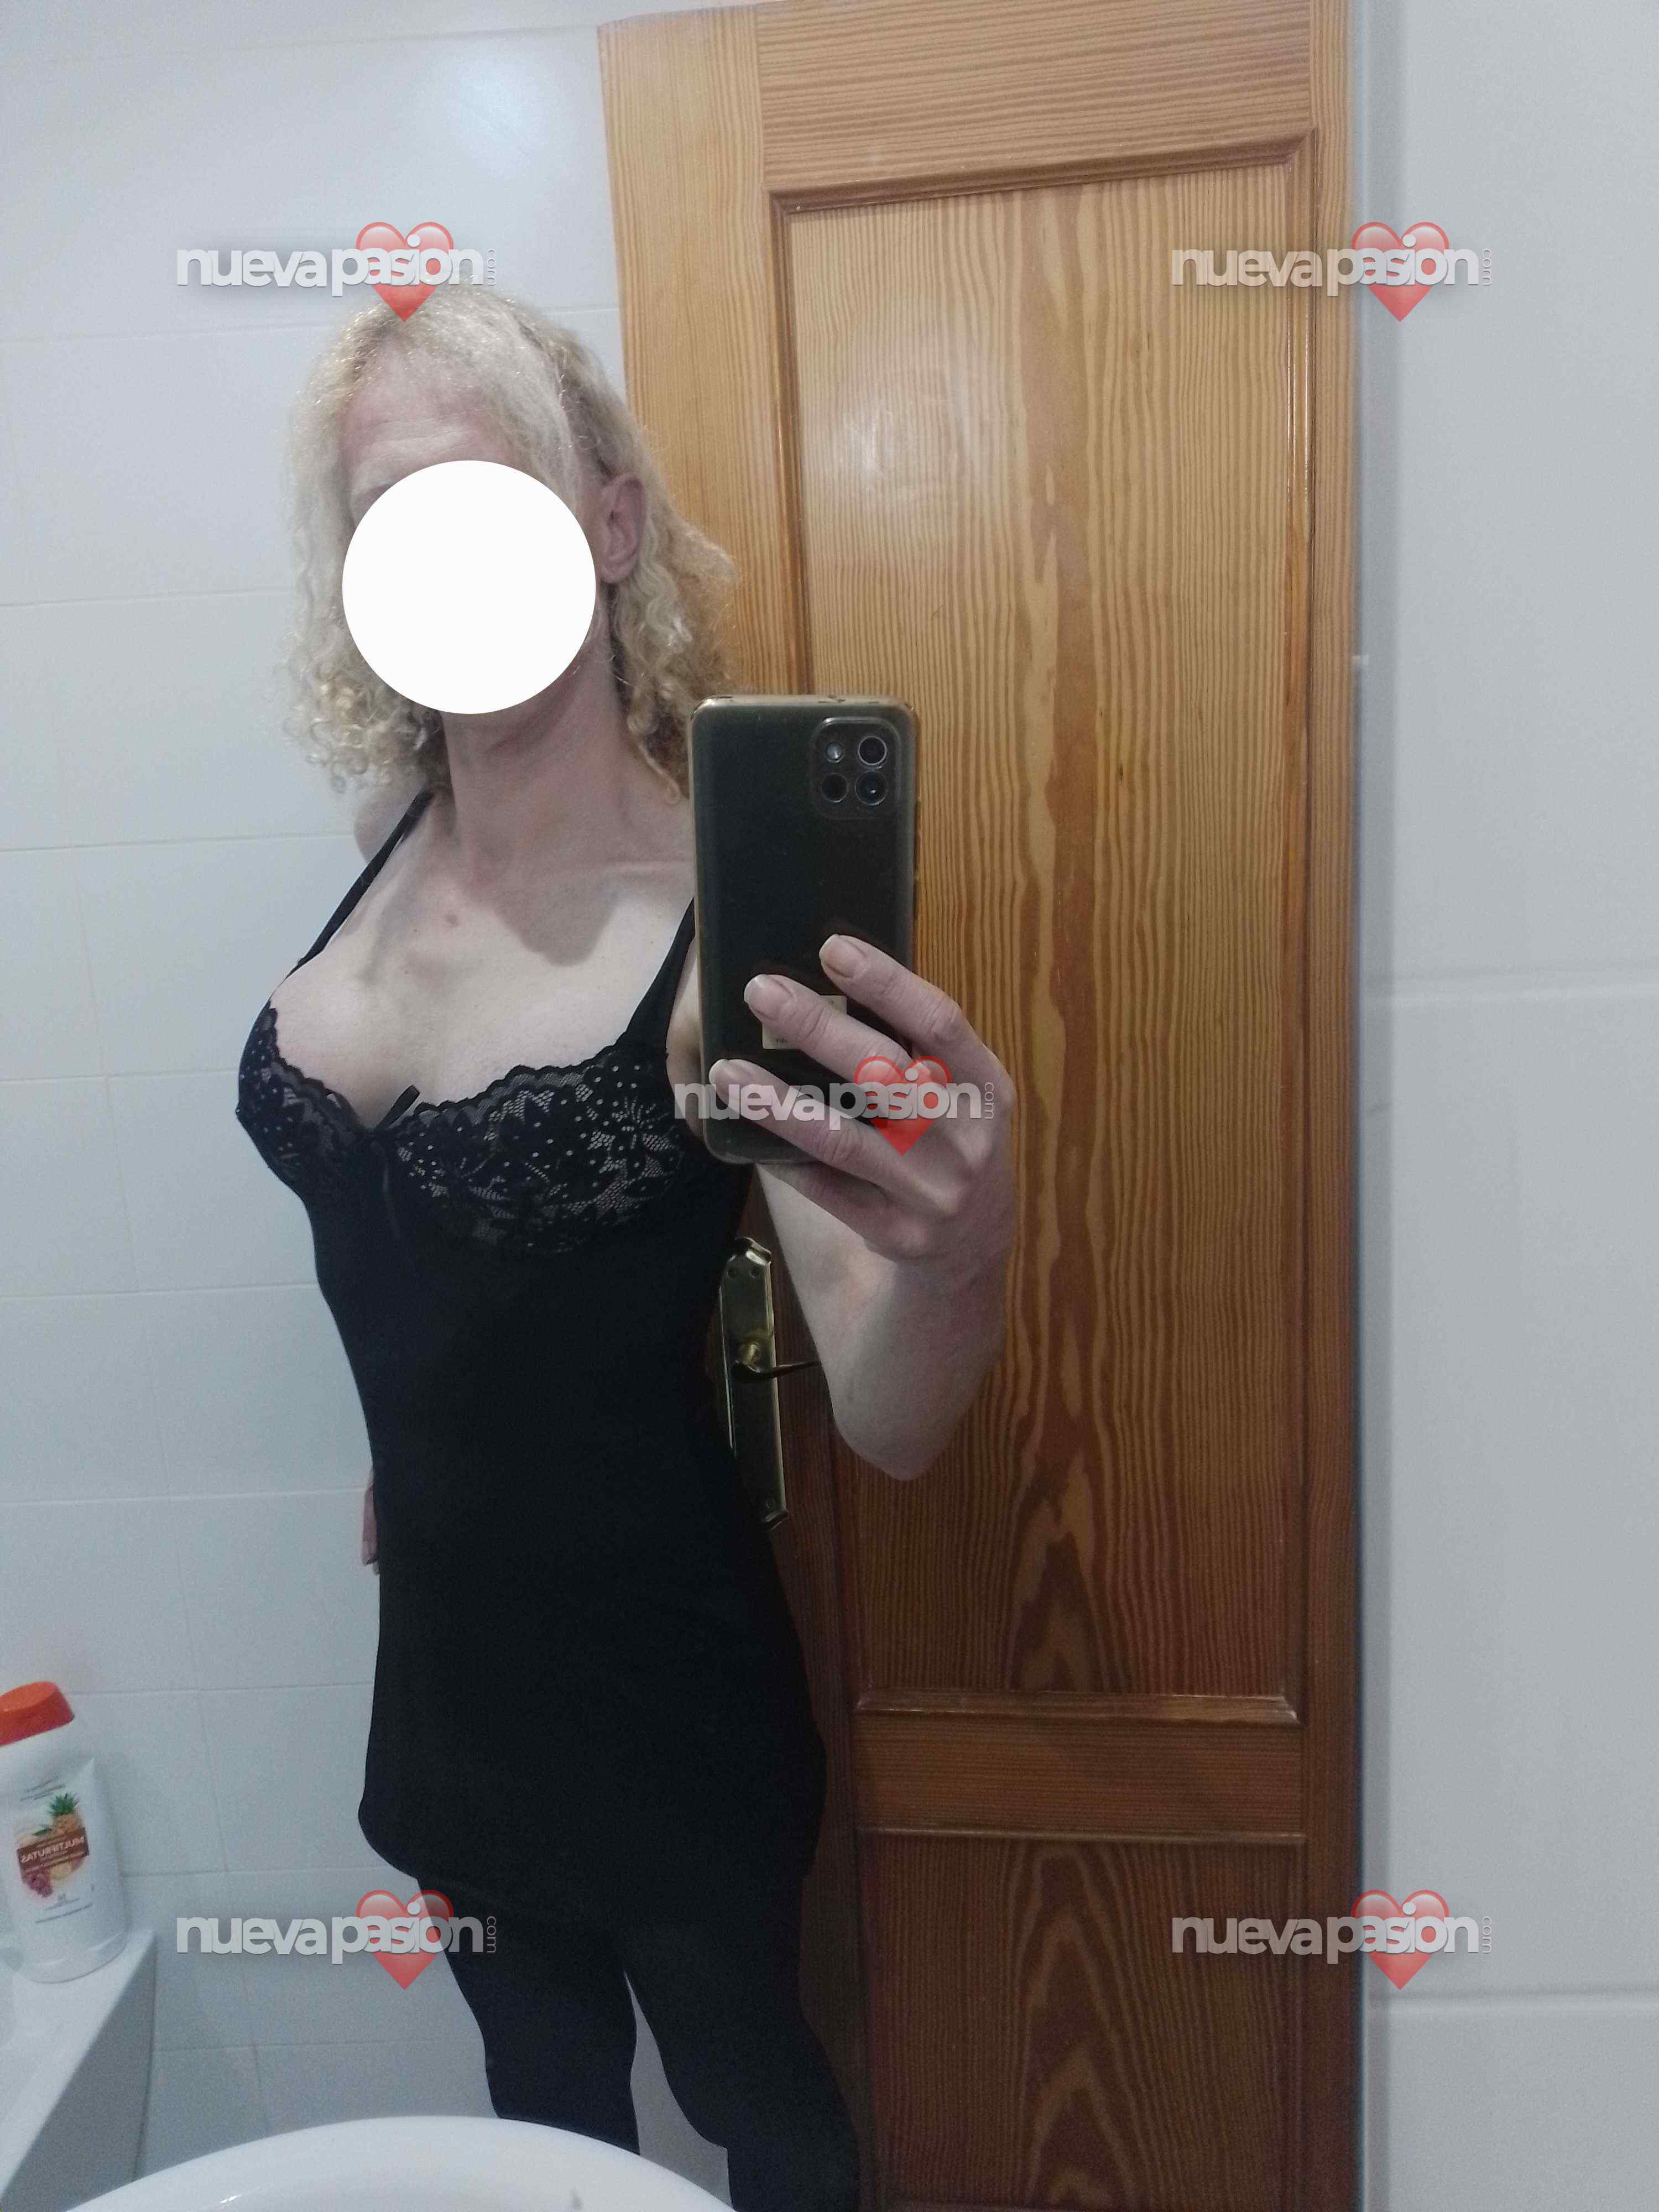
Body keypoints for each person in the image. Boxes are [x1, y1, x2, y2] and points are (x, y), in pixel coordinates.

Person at [235, 285, 1015, 2211]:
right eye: (391, 525)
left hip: (666, 1698)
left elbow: (894, 1415)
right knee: (536, 2122)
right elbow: (427, 1259)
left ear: (606, 521)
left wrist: (963, 1250)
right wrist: (418, 1439)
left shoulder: (724, 937)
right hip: (445, 1675)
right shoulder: (384, 826)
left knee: (763, 2111)